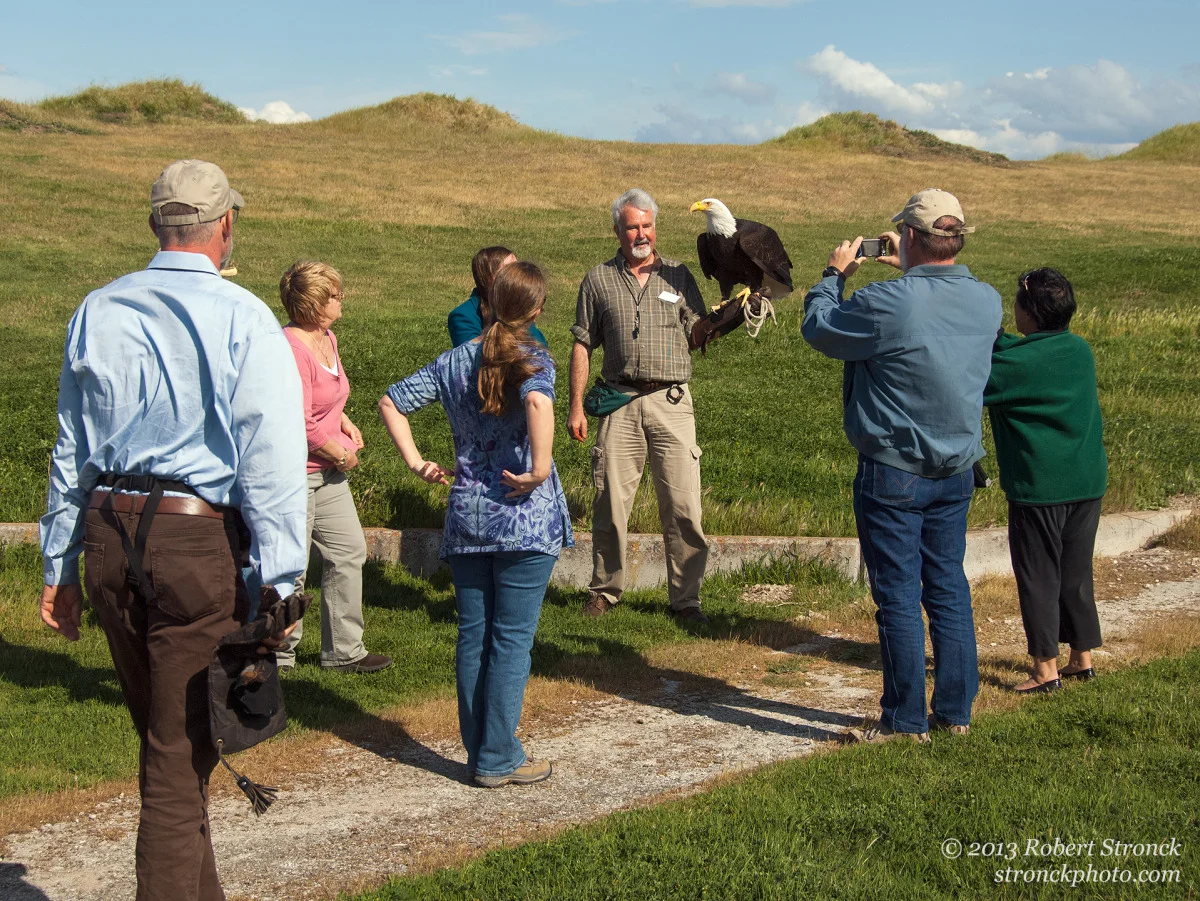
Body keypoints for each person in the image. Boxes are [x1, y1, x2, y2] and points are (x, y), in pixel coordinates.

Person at [38, 159, 309, 900]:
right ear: (224, 226)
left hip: (105, 537)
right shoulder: (245, 316)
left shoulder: (99, 309)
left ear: (157, 223)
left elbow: (72, 449)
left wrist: (57, 564)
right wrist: (284, 586)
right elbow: (272, 458)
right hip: (192, 544)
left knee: (174, 747)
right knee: (173, 753)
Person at [802, 188, 1002, 742]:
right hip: (957, 468)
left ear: (910, 236)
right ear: (956, 239)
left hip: (894, 469)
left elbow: (820, 327)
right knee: (947, 588)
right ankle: (956, 712)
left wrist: (833, 273)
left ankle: (904, 720)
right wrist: (913, 267)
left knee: (896, 594)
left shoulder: (888, 302)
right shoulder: (988, 300)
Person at [379, 261, 573, 787]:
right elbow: (537, 401)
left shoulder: (453, 361)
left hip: (467, 516)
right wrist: (538, 468)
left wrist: (417, 462)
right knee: (511, 639)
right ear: (534, 310)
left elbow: (391, 401)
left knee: (474, 635)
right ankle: (497, 758)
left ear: (486, 303)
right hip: (523, 517)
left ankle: (483, 750)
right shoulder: (533, 357)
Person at [568, 188, 711, 623]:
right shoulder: (598, 279)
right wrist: (575, 405)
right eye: (632, 226)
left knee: (684, 505)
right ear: (617, 230)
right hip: (619, 402)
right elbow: (582, 344)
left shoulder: (680, 276)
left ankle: (686, 601)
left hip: (671, 401)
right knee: (609, 502)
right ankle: (605, 591)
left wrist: (733, 314)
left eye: (647, 225)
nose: (641, 233)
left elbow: (699, 332)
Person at [984, 268, 1106, 693]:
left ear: (1030, 313)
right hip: (1087, 480)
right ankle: (1082, 657)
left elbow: (993, 366)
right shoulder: (1079, 349)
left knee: (1038, 574)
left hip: (1040, 484)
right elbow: (1019, 354)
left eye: (1017, 300)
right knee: (1075, 572)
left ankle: (1043, 668)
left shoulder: (1014, 362)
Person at [276, 261, 391, 674]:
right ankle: (278, 656)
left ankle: (344, 651)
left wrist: (344, 420)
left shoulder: (328, 338)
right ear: (315, 303)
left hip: (326, 473)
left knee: (348, 551)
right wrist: (341, 454)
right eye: (336, 295)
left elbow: (329, 395)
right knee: (291, 565)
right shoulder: (291, 347)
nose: (342, 300)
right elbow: (298, 420)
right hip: (297, 473)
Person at [447, 245, 548, 348]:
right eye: (510, 271)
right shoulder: (463, 315)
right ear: (490, 279)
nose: (518, 276)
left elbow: (541, 349)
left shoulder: (518, 310)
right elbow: (472, 357)